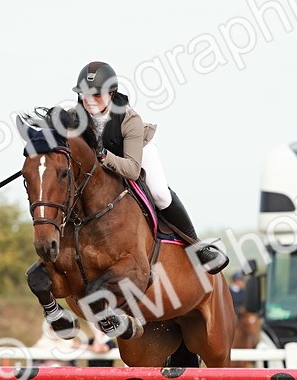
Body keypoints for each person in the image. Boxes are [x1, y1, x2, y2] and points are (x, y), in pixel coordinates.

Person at [72, 60, 228, 273]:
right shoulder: (74, 116)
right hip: (103, 162)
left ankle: (197, 245)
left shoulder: (130, 119)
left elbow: (132, 170)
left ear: (112, 93)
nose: (90, 101)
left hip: (136, 153)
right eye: (85, 94)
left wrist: (104, 156)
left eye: (97, 95)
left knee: (160, 194)